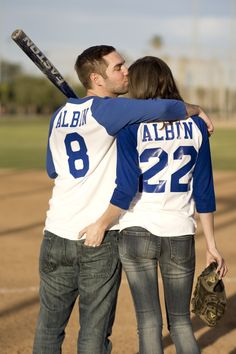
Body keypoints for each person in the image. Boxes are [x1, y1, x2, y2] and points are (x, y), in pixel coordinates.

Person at [32, 45, 213, 354]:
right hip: (97, 237)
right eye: (118, 67)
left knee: (49, 329)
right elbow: (168, 109)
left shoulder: (60, 115)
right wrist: (195, 108)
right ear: (96, 78)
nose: (125, 70)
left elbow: (53, 169)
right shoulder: (111, 111)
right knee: (94, 334)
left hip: (55, 234)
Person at [81, 56, 228, 354]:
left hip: (137, 229)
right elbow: (204, 190)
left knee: (148, 322)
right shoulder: (197, 126)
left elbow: (126, 181)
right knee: (182, 323)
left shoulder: (130, 127)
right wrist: (211, 244)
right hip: (180, 232)